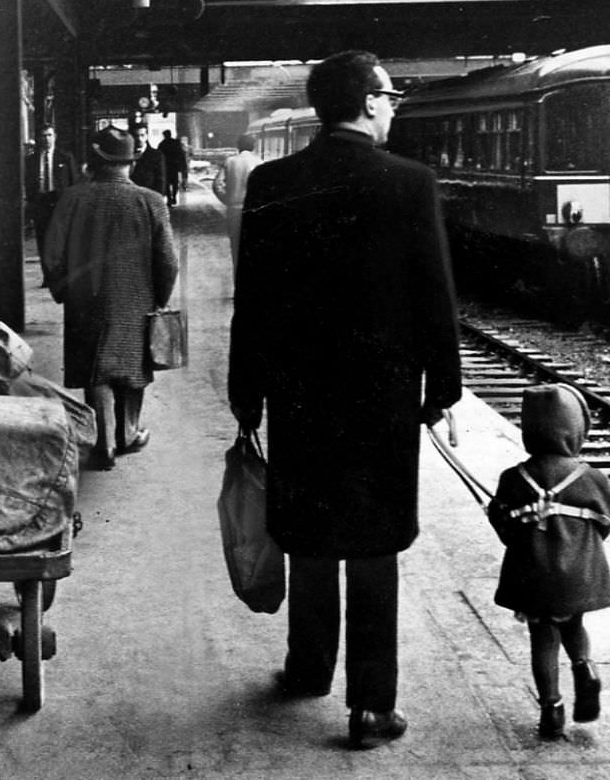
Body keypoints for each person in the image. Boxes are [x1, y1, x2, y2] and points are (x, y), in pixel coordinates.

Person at [228, 50, 462, 750]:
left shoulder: (275, 180)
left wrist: (247, 393)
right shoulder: (410, 183)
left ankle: (307, 667)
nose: (393, 107)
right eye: (389, 95)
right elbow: (434, 296)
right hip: (381, 397)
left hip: (300, 391)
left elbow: (255, 302)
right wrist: (442, 387)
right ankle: (370, 704)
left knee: (311, 531)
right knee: (372, 542)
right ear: (364, 101)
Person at [486, 383, 610, 741]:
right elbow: (606, 521)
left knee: (542, 636)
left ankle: (551, 711)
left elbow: (506, 531)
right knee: (573, 623)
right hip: (579, 572)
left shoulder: (513, 478)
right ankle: (584, 668)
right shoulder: (592, 477)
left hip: (533, 576)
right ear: (576, 430)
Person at [43, 125, 180, 470]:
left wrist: (63, 291)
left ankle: (103, 441)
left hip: (84, 299)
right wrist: (159, 299)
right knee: (132, 368)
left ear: (96, 161)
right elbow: (167, 259)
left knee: (95, 369)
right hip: (136, 298)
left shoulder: (72, 198)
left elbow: (53, 252)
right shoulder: (151, 201)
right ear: (130, 164)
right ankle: (128, 434)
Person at [24, 124, 79, 255]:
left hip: (60, 203)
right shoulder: (31, 160)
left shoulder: (65, 157)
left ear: (55, 137)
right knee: (43, 242)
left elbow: (74, 183)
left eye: (49, 135)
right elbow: (28, 183)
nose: (46, 139)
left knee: (60, 241)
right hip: (41, 203)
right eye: (43, 136)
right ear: (39, 138)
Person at [213, 132, 262, 264]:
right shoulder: (260, 163)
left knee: (235, 248)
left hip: (233, 209)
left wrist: (227, 199)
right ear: (253, 147)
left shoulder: (230, 161)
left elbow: (217, 184)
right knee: (252, 247)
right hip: (254, 210)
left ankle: (237, 278)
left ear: (238, 146)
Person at [131, 125, 167, 196]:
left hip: (149, 197)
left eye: (142, 135)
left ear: (146, 136)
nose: (139, 138)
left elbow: (161, 180)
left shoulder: (156, 155)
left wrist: (157, 200)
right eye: (136, 136)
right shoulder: (126, 154)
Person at [159, 129, 189, 206]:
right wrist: (182, 166)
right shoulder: (176, 143)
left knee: (167, 184)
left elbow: (159, 156)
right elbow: (181, 154)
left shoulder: (162, 144)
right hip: (174, 166)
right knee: (175, 183)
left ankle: (169, 199)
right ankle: (174, 197)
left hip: (166, 167)